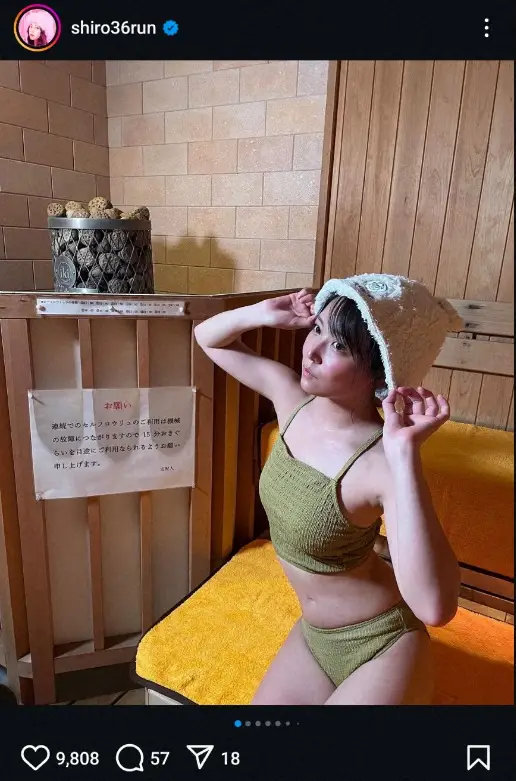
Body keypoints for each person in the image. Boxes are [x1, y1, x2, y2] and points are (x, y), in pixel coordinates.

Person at [194, 273, 463, 705]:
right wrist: (263, 313)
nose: (312, 351)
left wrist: (404, 455)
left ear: (378, 369)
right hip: (314, 636)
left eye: (339, 346)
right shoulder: (290, 400)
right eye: (317, 328)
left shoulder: (380, 461)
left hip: (383, 645)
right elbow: (207, 337)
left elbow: (435, 608)